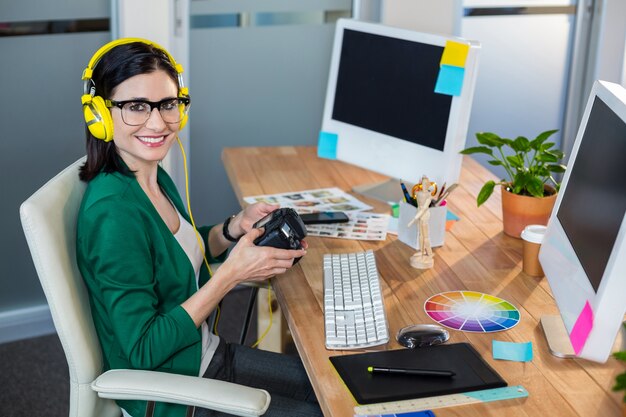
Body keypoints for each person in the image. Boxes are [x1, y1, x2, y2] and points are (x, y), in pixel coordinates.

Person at [75, 39, 322, 417]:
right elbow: (142, 350)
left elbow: (173, 253)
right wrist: (229, 277)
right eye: (136, 107)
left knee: (332, 386)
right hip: (171, 389)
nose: (157, 123)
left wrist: (233, 227)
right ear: (100, 114)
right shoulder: (114, 215)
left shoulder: (151, 176)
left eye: (168, 105)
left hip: (202, 355)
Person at [407, 176, 435, 269]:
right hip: (418, 213)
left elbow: (424, 209)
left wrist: (413, 220)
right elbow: (419, 206)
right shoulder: (418, 193)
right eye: (422, 183)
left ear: (428, 185)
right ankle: (422, 252)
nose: (424, 186)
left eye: (425, 184)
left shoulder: (428, 195)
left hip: (424, 215)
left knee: (425, 236)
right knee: (420, 235)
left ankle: (429, 254)